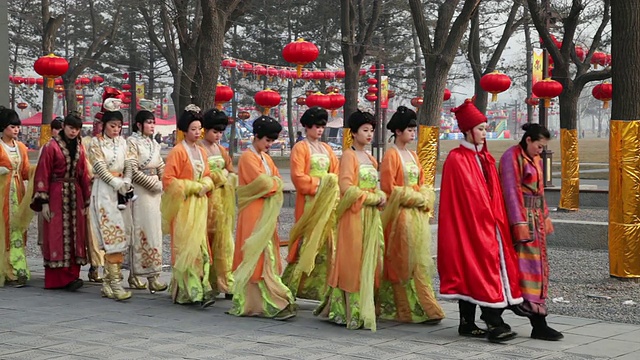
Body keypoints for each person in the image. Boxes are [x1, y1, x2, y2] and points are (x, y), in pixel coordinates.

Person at [438, 99, 522, 343]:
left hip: (490, 225)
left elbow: (493, 193)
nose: (485, 133)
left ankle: (468, 323)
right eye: (481, 128)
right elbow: (465, 199)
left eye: (486, 128)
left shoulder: (485, 158)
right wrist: (482, 220)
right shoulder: (457, 159)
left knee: (477, 268)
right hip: (470, 227)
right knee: (477, 268)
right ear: (467, 131)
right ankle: (493, 321)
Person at [315, 110, 386, 331]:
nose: (369, 134)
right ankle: (348, 308)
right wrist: (372, 198)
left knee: (371, 258)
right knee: (353, 259)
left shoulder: (370, 158)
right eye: (365, 130)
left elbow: (375, 183)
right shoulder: (349, 156)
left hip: (371, 215)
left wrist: (381, 195)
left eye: (371, 130)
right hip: (354, 215)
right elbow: (345, 187)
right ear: (354, 133)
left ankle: (368, 304)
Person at [378, 106, 445, 323]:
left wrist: (424, 197)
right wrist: (416, 198)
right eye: (408, 129)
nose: (412, 132)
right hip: (400, 215)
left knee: (417, 260)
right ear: (397, 131)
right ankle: (405, 308)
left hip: (415, 214)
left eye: (413, 129)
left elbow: (422, 181)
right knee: (401, 259)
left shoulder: (413, 154)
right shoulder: (391, 154)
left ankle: (423, 304)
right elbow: (389, 188)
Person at [228, 115, 296, 320]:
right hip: (254, 212)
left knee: (267, 254)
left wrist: (272, 184)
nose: (269, 144)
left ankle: (268, 299)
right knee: (254, 254)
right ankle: (256, 302)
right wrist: (273, 184)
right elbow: (264, 184)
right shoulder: (248, 158)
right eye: (267, 140)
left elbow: (274, 181)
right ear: (256, 137)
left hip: (265, 212)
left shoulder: (265, 158)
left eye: (271, 141)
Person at [499, 123, 563, 341]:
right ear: (528, 140)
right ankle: (497, 315)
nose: (541, 151)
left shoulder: (534, 158)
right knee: (519, 269)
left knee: (536, 269)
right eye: (539, 145)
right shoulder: (511, 157)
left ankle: (537, 321)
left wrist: (545, 215)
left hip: (535, 220)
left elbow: (540, 190)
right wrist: (519, 224)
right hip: (522, 220)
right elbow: (511, 191)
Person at [281, 107, 339, 301]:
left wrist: (331, 188)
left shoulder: (328, 149)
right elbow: (298, 177)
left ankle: (323, 287)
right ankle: (294, 283)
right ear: (307, 127)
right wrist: (321, 185)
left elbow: (336, 174)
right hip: (309, 202)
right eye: (316, 126)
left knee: (327, 242)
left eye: (322, 126)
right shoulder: (301, 148)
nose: (320, 130)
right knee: (305, 241)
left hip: (327, 202)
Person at [161, 104, 215, 308]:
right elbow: (168, 180)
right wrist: (193, 186)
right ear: (184, 130)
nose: (197, 132)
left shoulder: (201, 152)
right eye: (193, 129)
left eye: (199, 128)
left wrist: (207, 184)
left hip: (199, 205)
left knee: (200, 246)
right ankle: (190, 291)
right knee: (185, 246)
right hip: (184, 205)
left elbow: (208, 175)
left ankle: (200, 286)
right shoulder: (177, 151)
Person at [31, 113, 91, 291]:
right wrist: (44, 202)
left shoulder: (80, 148)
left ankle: (72, 276)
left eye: (77, 129)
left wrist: (87, 201)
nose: (74, 132)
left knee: (76, 235)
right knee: (57, 234)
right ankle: (58, 278)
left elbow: (83, 174)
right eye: (71, 127)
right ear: (64, 126)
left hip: (75, 194)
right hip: (56, 193)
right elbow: (43, 173)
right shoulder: (51, 146)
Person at [88, 98, 134, 301]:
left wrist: (127, 179)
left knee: (122, 234)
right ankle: (114, 282)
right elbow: (99, 166)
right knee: (111, 235)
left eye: (118, 126)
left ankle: (109, 281)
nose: (116, 130)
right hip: (105, 191)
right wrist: (115, 183)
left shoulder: (124, 143)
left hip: (122, 190)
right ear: (103, 125)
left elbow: (130, 163)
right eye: (112, 126)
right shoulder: (96, 143)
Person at [126, 110, 167, 294]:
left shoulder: (155, 143)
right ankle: (135, 274)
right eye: (148, 122)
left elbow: (160, 165)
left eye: (153, 122)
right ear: (139, 124)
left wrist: (165, 182)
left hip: (156, 192)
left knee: (155, 233)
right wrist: (153, 184)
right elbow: (132, 169)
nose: (152, 125)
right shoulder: (131, 142)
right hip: (140, 191)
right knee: (140, 231)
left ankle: (154, 275)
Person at [200, 108, 236, 299]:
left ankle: (225, 280)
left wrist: (227, 177)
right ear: (205, 130)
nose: (218, 135)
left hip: (222, 200)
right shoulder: (199, 149)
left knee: (225, 242)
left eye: (221, 132)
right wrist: (217, 178)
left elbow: (230, 169)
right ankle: (205, 280)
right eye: (215, 131)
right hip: (206, 200)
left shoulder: (221, 150)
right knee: (206, 240)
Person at [0, 107, 32, 287]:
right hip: (2, 194)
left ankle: (19, 269)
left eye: (17, 126)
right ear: (3, 127)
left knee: (17, 230)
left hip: (18, 192)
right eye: (12, 126)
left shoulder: (21, 147)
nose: (16, 130)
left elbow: (26, 171)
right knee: (3, 230)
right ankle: (7, 270)